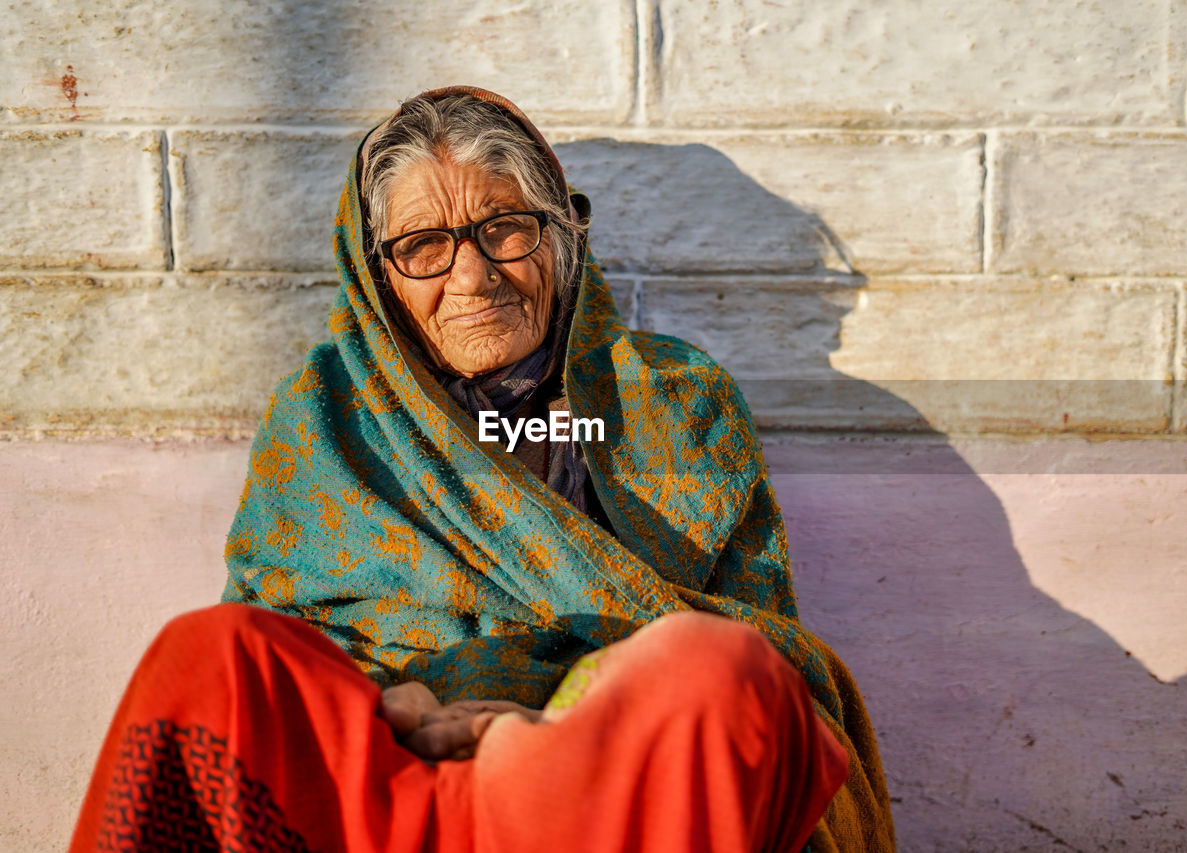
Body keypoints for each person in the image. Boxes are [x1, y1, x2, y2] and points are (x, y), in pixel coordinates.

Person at [70, 86, 895, 852]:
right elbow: (294, 640)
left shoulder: (675, 399)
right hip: (383, 778)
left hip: (599, 783)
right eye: (424, 245)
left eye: (503, 227)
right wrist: (404, 705)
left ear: (562, 234)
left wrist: (561, 713)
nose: (472, 275)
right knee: (216, 655)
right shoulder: (329, 413)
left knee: (726, 670)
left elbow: (773, 649)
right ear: (377, 275)